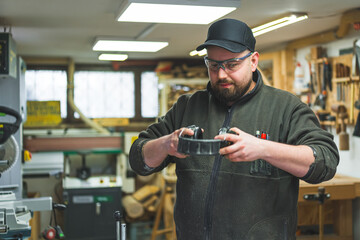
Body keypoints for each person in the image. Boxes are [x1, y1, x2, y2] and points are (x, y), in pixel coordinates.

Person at [129, 18, 339, 240]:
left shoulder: (286, 108)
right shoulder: (187, 106)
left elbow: (325, 161)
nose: (221, 75)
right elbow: (138, 158)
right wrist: (166, 144)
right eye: (213, 65)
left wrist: (263, 149)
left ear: (253, 61)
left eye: (232, 65)